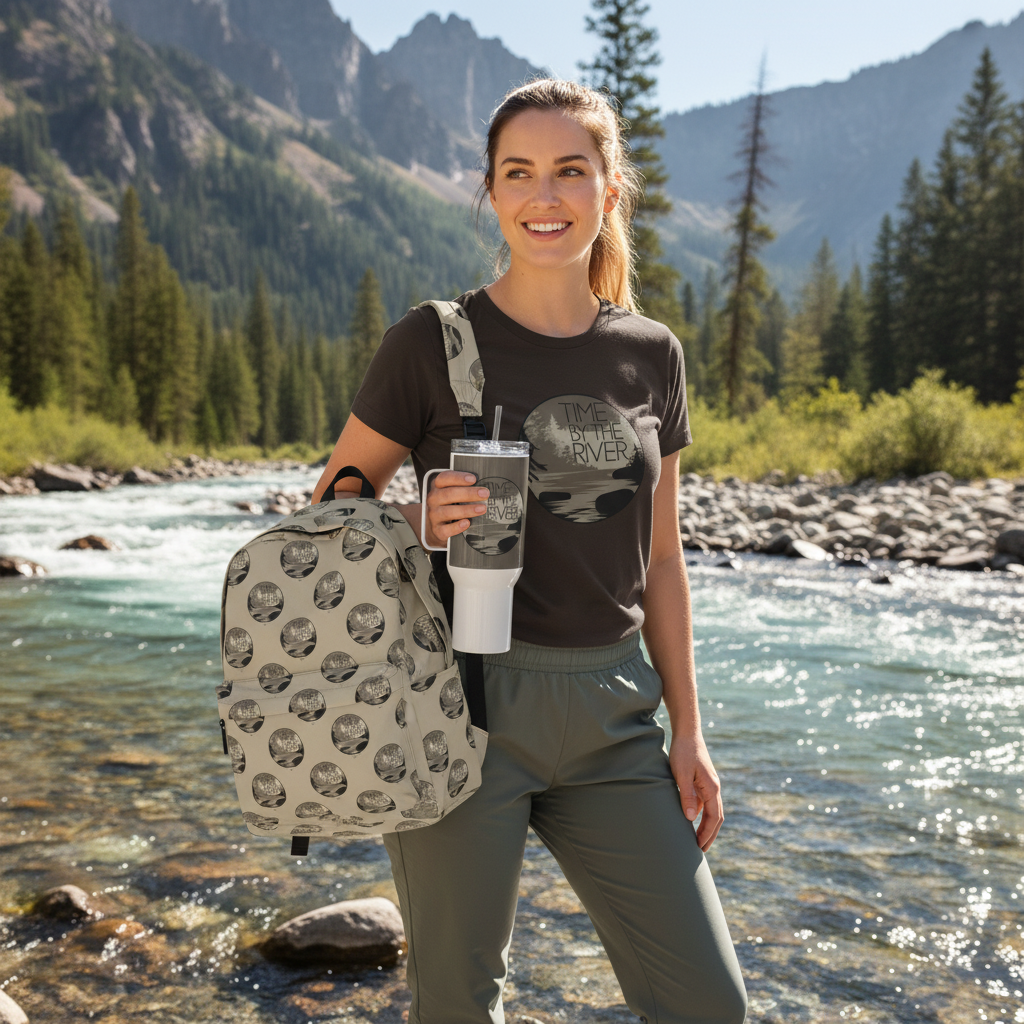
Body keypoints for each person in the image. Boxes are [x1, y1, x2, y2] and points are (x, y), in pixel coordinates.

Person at [313, 78, 747, 1024]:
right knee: (460, 1006)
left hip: (614, 719)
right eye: (519, 173)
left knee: (709, 1004)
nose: (543, 197)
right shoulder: (432, 342)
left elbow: (663, 563)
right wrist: (419, 521)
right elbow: (331, 511)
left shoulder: (652, 353)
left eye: (568, 172)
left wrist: (691, 731)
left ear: (609, 188)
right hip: (460, 710)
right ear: (492, 192)